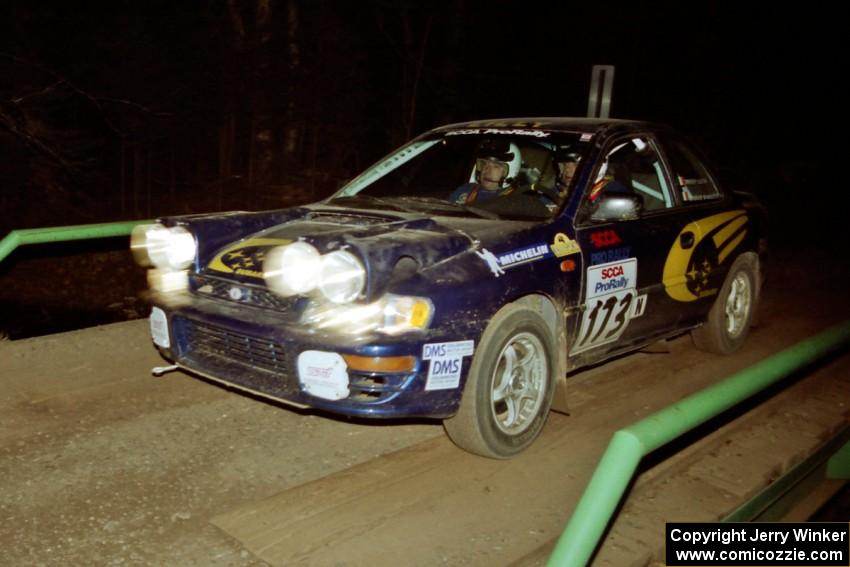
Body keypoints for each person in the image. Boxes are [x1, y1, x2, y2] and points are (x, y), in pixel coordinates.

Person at [449, 140, 520, 205]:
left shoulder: (515, 201)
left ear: (510, 171)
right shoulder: (465, 190)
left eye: (496, 166)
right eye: (484, 164)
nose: (486, 170)